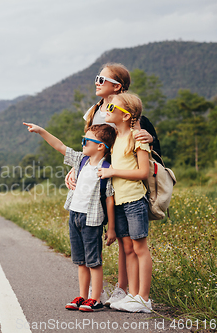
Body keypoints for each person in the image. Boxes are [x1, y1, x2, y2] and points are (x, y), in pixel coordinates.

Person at [66, 63, 161, 306]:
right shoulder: (95, 112)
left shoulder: (127, 111)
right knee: (120, 237)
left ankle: (125, 290)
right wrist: (74, 169)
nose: (96, 82)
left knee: (127, 242)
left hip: (122, 182)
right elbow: (89, 147)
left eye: (101, 78)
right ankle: (124, 292)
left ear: (117, 86)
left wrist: (148, 138)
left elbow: (143, 142)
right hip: (101, 183)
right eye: (96, 78)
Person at [23, 121, 117, 312]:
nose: (82, 144)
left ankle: (95, 299)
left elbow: (109, 199)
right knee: (80, 261)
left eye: (86, 141)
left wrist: (112, 228)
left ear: (100, 146)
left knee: (94, 261)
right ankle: (82, 296)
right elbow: (60, 146)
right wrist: (41, 131)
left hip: (92, 220)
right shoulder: (80, 160)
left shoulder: (105, 168)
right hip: (74, 215)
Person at [97, 92, 153, 313]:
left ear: (125, 115)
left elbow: (143, 172)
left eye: (112, 108)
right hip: (119, 201)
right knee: (127, 248)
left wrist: (113, 171)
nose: (107, 110)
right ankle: (132, 294)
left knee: (140, 248)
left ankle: (144, 299)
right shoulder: (117, 138)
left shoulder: (136, 137)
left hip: (134, 199)